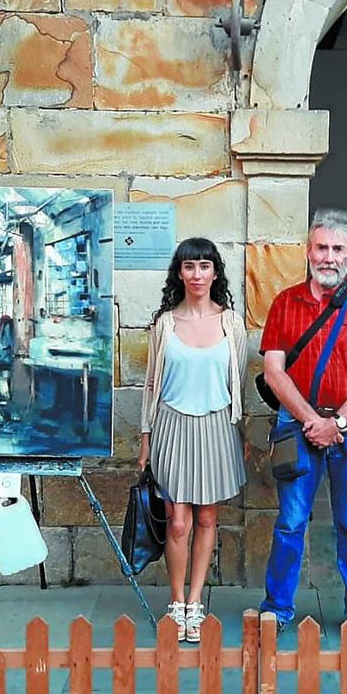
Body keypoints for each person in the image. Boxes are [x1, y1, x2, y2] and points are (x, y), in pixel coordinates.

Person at [258, 208, 347, 651]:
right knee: (290, 523)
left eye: (338, 249)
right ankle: (276, 609)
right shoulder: (285, 303)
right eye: (322, 247)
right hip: (297, 427)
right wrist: (310, 421)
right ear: (308, 251)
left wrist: (335, 423)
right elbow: (274, 371)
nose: (329, 257)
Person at [139, 237, 247, 643]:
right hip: (171, 426)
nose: (197, 274)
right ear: (179, 274)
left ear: (215, 273)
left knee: (206, 519)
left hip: (216, 426)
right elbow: (151, 385)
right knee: (178, 521)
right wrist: (146, 438)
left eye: (204, 266)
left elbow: (236, 381)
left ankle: (196, 601)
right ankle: (176, 601)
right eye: (189, 266)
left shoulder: (232, 323)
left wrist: (237, 431)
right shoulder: (165, 325)